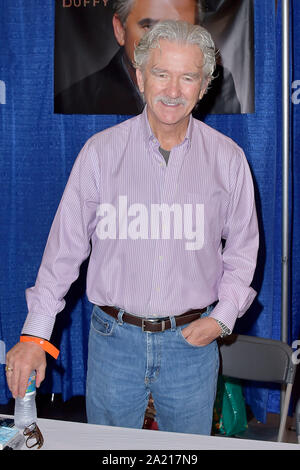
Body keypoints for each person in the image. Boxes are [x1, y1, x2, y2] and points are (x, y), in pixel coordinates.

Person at [6, 20, 258, 435]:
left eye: (188, 77)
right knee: (110, 452)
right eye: (161, 74)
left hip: (191, 345)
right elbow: (63, 252)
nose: (173, 91)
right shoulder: (99, 154)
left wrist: (224, 317)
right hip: (113, 341)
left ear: (205, 84)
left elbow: (244, 249)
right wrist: (35, 336)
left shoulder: (229, 160)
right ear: (140, 77)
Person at [54, 0, 241, 115]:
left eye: (180, 27)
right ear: (120, 30)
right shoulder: (73, 101)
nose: (164, 45)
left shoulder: (220, 87)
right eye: (149, 27)